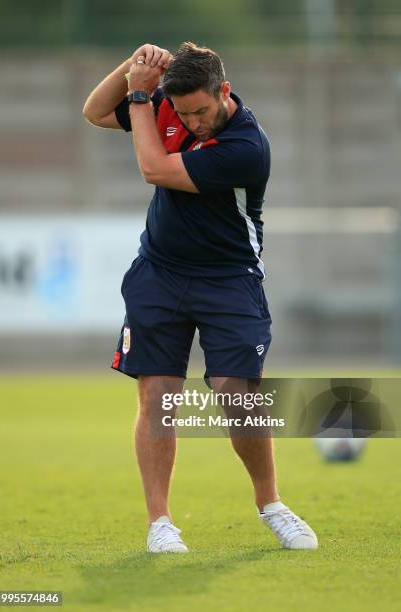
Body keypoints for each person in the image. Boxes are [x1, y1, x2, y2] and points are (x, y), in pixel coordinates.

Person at [83, 42, 318, 553]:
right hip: (160, 273)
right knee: (159, 397)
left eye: (201, 111)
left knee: (239, 397)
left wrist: (143, 97)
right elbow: (95, 111)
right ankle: (160, 524)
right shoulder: (166, 101)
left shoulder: (247, 147)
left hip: (228, 279)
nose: (192, 122)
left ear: (224, 92)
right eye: (183, 112)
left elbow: (155, 169)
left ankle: (271, 504)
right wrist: (135, 64)